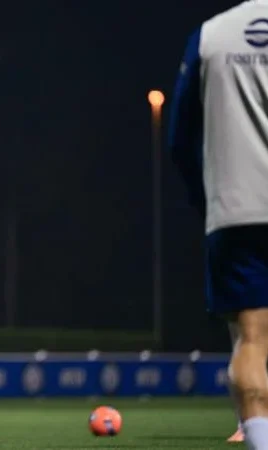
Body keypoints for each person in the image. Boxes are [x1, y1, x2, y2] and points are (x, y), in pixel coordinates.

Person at [167, 1, 268, 448]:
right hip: (236, 209)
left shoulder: (211, 35)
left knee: (251, 337)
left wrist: (207, 199)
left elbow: (179, 138)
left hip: (237, 209)